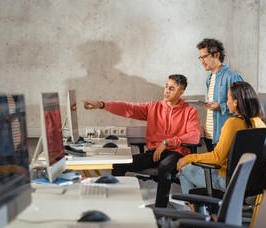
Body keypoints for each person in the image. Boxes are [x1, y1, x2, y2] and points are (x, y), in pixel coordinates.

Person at [84, 74, 201, 208]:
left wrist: (167, 143)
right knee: (119, 164)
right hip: (154, 153)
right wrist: (101, 104)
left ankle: (160, 211)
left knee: (164, 167)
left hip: (175, 154)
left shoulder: (190, 111)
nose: (167, 91)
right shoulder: (153, 107)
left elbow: (194, 136)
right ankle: (115, 205)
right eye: (166, 86)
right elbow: (129, 108)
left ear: (181, 92)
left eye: (172, 88)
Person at [176, 81, 266, 195]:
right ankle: (210, 211)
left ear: (235, 103)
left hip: (227, 181)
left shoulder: (232, 123)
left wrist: (187, 158)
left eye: (228, 99)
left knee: (183, 170)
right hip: (250, 180)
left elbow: (217, 157)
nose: (227, 102)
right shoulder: (261, 123)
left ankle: (197, 212)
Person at [197, 38, 243, 151]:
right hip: (209, 135)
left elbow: (242, 106)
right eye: (200, 58)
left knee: (223, 168)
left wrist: (220, 106)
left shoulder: (233, 77)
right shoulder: (209, 78)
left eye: (205, 57)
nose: (202, 61)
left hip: (224, 136)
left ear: (216, 55)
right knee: (212, 168)